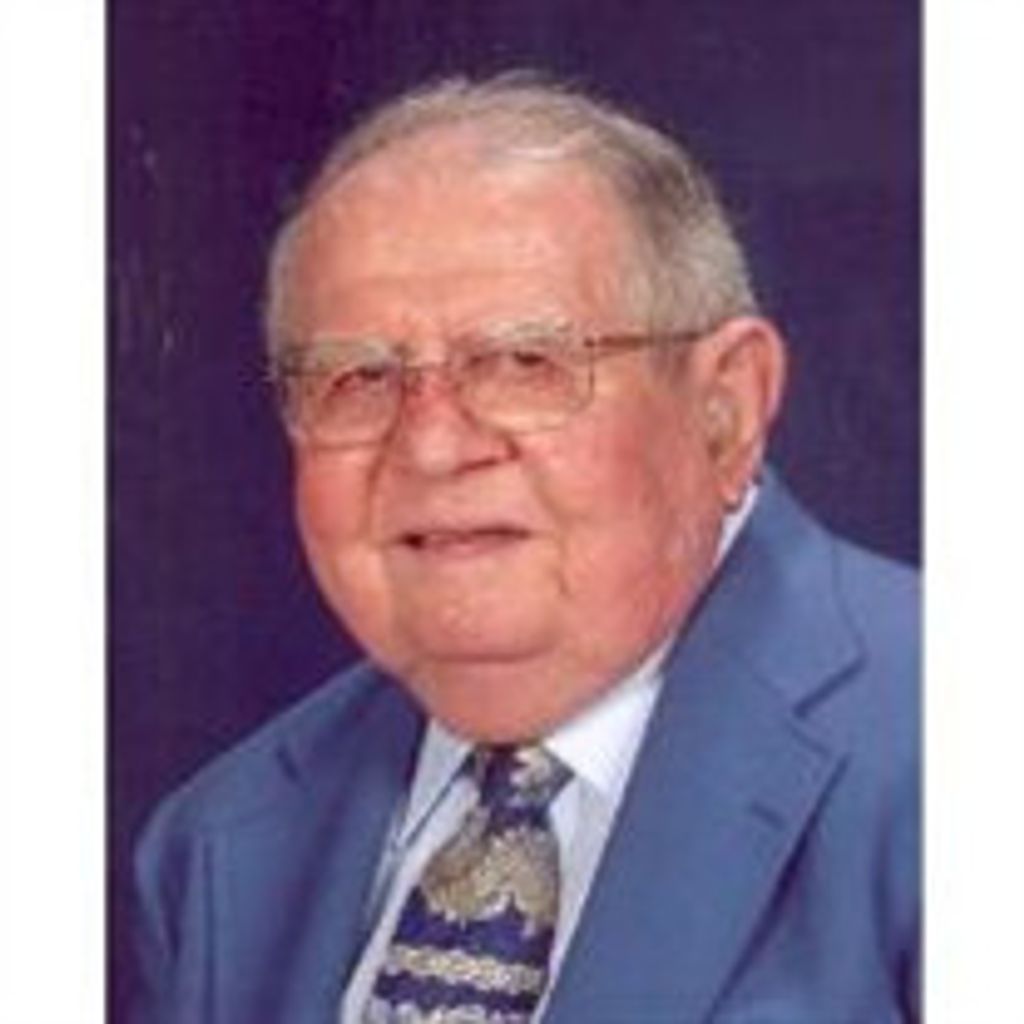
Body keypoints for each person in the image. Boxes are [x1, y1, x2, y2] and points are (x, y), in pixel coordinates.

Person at [133, 72, 919, 1023]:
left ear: (725, 411)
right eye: (356, 379)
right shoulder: (215, 848)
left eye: (523, 362)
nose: (431, 446)